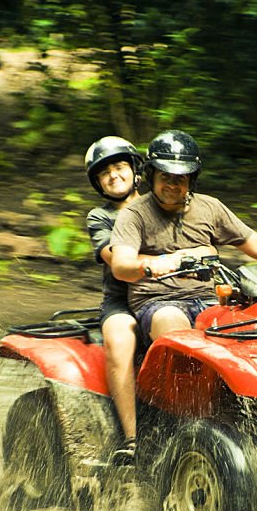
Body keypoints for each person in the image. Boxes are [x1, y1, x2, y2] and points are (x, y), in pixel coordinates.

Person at [108, 129, 257, 345]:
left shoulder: (210, 207)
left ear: (192, 180)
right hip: (158, 302)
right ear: (151, 176)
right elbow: (121, 266)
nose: (172, 184)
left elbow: (256, 243)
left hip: (212, 300)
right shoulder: (133, 214)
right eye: (165, 176)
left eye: (180, 178)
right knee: (180, 335)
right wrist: (156, 264)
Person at [83, 136, 144, 464]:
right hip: (123, 300)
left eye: (120, 167)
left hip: (175, 292)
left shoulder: (161, 204)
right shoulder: (100, 217)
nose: (114, 175)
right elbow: (114, 258)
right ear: (98, 183)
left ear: (136, 171)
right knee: (119, 339)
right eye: (104, 173)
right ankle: (132, 438)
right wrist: (171, 259)